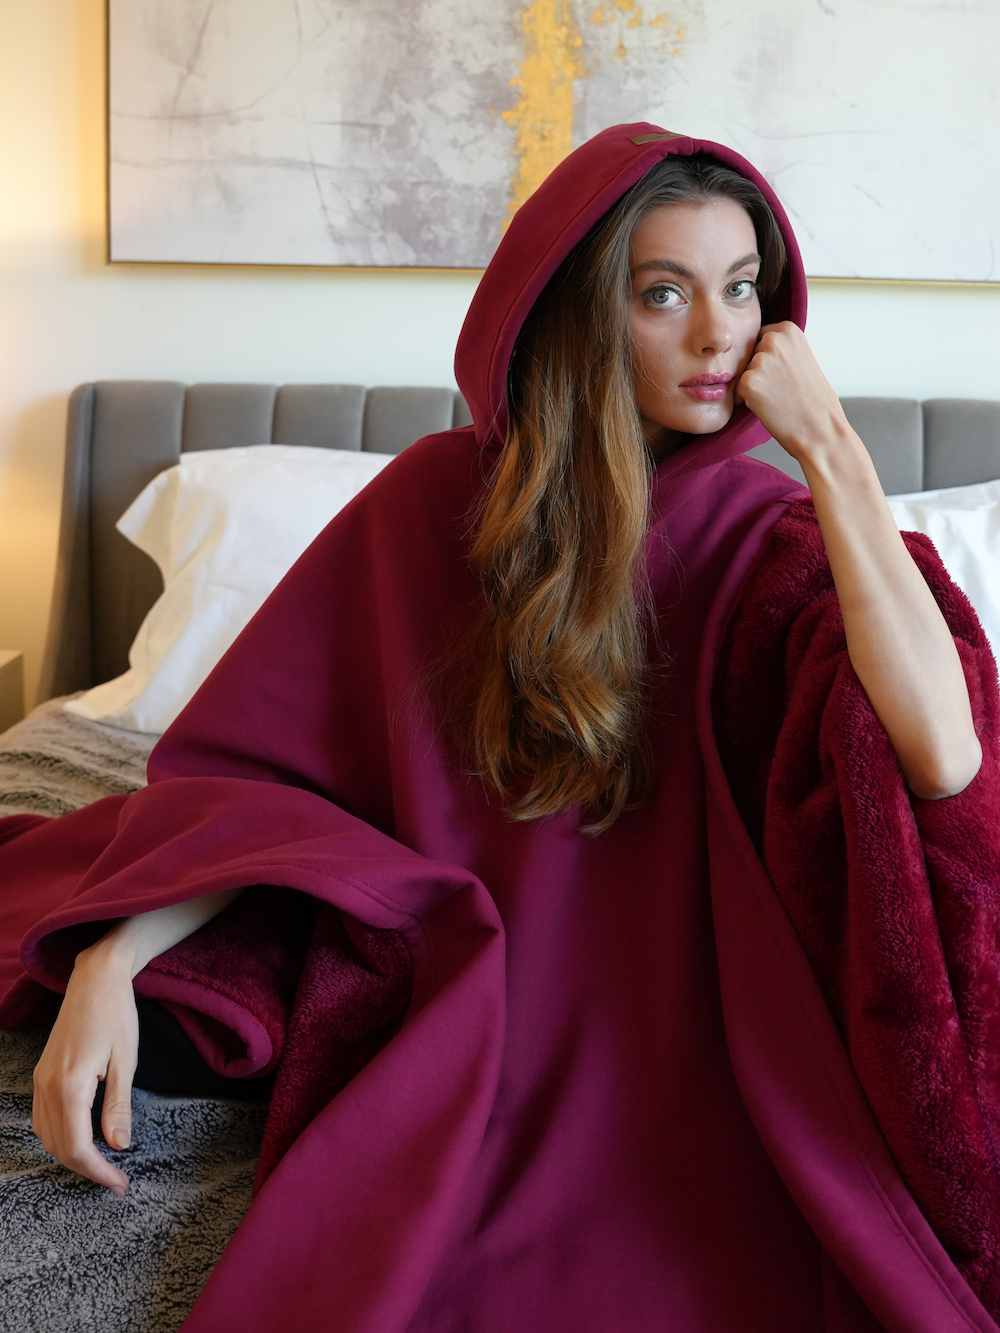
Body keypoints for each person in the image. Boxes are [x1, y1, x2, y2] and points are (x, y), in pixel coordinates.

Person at [1, 125, 997, 1332]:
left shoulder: (776, 538)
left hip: (695, 1035)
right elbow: (261, 780)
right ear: (582, 311)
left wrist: (831, 452)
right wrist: (110, 960)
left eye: (741, 289)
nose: (717, 336)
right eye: (663, 293)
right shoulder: (432, 502)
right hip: (452, 980)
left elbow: (944, 758)